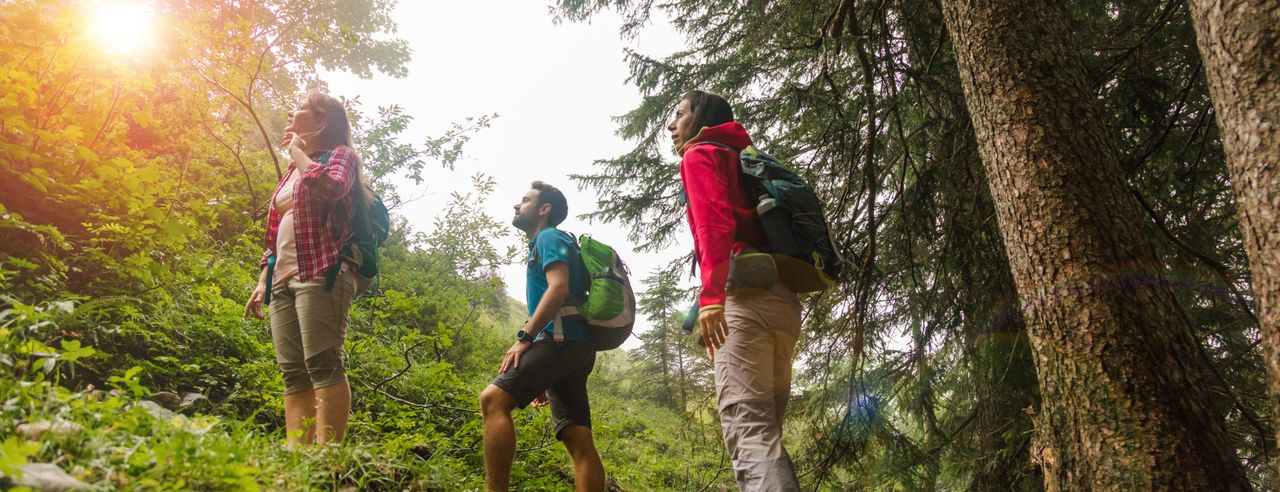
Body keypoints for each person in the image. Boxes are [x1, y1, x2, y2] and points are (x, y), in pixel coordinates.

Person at [668, 90, 803, 490]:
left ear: (702, 117)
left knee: (750, 435)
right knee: (766, 435)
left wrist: (711, 301)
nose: (671, 126)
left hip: (744, 303)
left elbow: (714, 226)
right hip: (783, 303)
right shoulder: (743, 158)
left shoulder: (701, 154)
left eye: (679, 115)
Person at [244, 92, 372, 448]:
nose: (290, 111)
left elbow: (331, 188)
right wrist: (262, 279)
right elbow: (273, 235)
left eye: (300, 109)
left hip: (322, 271)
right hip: (282, 279)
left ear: (321, 122)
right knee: (293, 373)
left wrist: (298, 153)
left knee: (323, 364)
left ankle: (327, 460)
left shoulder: (341, 157)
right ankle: (297, 461)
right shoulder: (290, 174)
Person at [479, 182, 605, 492]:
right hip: (575, 344)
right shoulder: (557, 240)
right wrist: (546, 373)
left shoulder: (548, 236)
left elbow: (558, 287)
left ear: (543, 210)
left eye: (525, 200)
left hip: (561, 340)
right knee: (578, 437)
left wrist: (525, 337)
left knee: (493, 401)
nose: (517, 205)